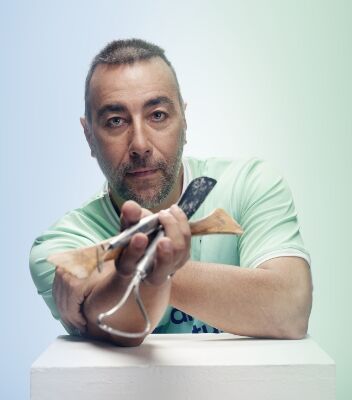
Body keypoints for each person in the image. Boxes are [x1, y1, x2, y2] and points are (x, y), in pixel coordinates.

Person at [29, 39, 313, 347]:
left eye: (158, 115)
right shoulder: (61, 246)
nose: (140, 144)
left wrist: (130, 268)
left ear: (185, 120)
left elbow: (290, 307)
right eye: (115, 121)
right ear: (88, 136)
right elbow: (118, 327)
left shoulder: (250, 184)